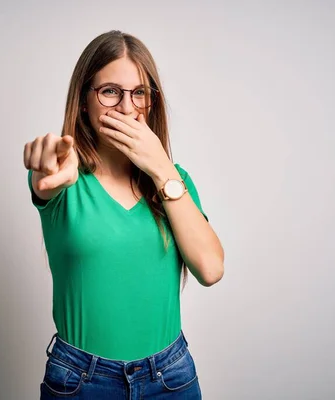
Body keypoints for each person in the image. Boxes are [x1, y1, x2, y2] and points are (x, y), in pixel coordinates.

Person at [23, 30, 225, 399]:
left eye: (139, 93)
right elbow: (45, 181)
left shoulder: (175, 184)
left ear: (152, 103)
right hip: (81, 381)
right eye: (111, 91)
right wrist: (45, 172)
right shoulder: (65, 179)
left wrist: (162, 170)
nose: (128, 108)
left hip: (170, 378)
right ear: (85, 100)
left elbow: (210, 270)